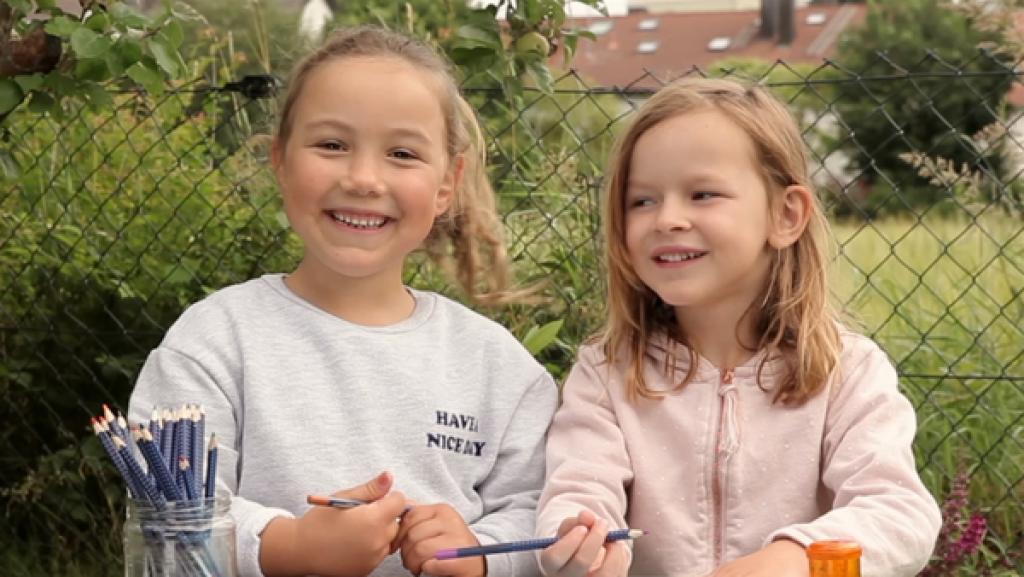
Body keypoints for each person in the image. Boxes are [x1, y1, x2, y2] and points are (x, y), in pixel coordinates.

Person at [129, 26, 556, 577]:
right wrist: (288, 547)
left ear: (447, 183)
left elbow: (541, 518)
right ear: (280, 160)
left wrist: (480, 553)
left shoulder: (497, 367)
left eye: (402, 153)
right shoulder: (211, 341)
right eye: (332, 145)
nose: (362, 178)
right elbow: (167, 515)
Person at [534, 78, 941, 577]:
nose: (668, 218)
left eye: (702, 194)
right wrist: (581, 542)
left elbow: (898, 511)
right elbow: (579, 487)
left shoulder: (847, 372)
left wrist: (791, 558)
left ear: (786, 215)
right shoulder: (606, 373)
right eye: (642, 201)